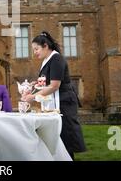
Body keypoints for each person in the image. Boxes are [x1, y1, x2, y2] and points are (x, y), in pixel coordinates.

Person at [22, 31, 86, 160]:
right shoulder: (46, 61)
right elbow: (44, 82)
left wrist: (33, 97)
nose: (34, 52)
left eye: (36, 49)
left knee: (65, 138)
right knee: (55, 138)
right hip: (55, 102)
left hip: (64, 102)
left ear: (45, 46)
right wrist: (32, 87)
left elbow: (54, 86)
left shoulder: (57, 59)